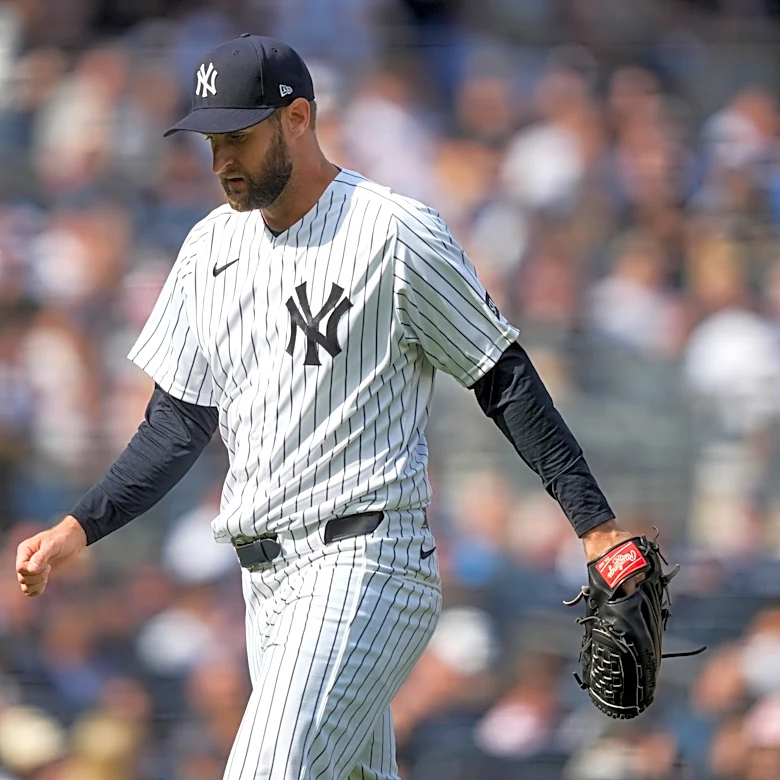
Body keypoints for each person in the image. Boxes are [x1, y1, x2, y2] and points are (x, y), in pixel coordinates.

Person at [15, 35, 639, 780]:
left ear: (299, 118)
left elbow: (499, 373)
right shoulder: (209, 247)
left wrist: (596, 526)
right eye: (212, 140)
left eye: (239, 137)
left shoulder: (394, 230)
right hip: (266, 587)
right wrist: (79, 526)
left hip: (365, 560)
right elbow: (177, 423)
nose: (222, 163)